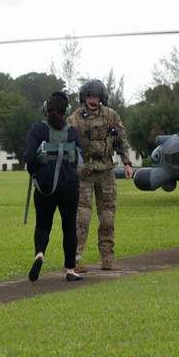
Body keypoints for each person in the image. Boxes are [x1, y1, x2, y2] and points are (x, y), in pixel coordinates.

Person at [66, 78, 133, 272]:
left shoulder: (111, 115)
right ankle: (75, 259)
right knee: (82, 217)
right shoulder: (76, 118)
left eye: (95, 96)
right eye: (89, 96)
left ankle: (107, 257)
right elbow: (68, 143)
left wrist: (127, 163)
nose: (92, 100)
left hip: (105, 172)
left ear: (101, 97)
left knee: (107, 217)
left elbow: (122, 140)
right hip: (84, 172)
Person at [24, 91, 84, 282]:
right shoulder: (73, 132)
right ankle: (70, 270)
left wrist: (35, 174)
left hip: (44, 186)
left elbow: (30, 158)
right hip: (69, 187)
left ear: (45, 108)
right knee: (69, 228)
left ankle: (39, 255)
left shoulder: (37, 129)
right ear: (66, 110)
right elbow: (79, 160)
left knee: (43, 225)